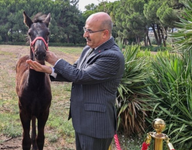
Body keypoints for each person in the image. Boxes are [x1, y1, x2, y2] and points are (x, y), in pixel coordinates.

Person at [27, 12, 125, 150]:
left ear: (105, 34)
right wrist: (48, 70)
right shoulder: (89, 49)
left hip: (96, 127)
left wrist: (56, 61)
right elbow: (74, 71)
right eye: (85, 30)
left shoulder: (112, 56)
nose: (85, 35)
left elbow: (80, 76)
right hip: (83, 123)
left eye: (89, 31)